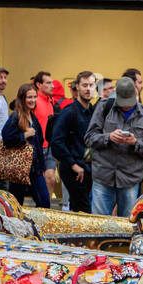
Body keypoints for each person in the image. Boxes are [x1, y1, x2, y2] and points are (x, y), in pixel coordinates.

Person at [85, 75, 143, 217]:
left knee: (127, 225)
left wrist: (135, 143)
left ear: (136, 95)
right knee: (99, 224)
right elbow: (89, 138)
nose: (125, 106)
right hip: (103, 177)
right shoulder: (104, 107)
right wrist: (108, 137)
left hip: (130, 179)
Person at [0, 82, 51, 208]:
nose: (33, 100)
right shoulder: (16, 117)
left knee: (44, 201)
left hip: (35, 168)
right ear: (22, 99)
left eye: (34, 97)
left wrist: (42, 168)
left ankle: (37, 226)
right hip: (20, 168)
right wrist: (24, 136)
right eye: (29, 97)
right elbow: (6, 138)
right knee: (17, 204)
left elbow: (39, 143)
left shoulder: (32, 117)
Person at [52, 70, 96, 213]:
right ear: (77, 87)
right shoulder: (69, 112)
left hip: (88, 168)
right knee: (83, 210)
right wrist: (73, 165)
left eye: (91, 85)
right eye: (84, 85)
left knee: (80, 209)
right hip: (74, 169)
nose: (88, 89)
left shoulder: (93, 112)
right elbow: (56, 142)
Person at [31, 71, 59, 201]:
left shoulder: (51, 100)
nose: (52, 86)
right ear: (38, 84)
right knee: (39, 181)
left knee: (51, 178)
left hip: (49, 146)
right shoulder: (33, 100)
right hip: (36, 147)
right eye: (48, 83)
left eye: (52, 82)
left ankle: (46, 208)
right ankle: (41, 206)